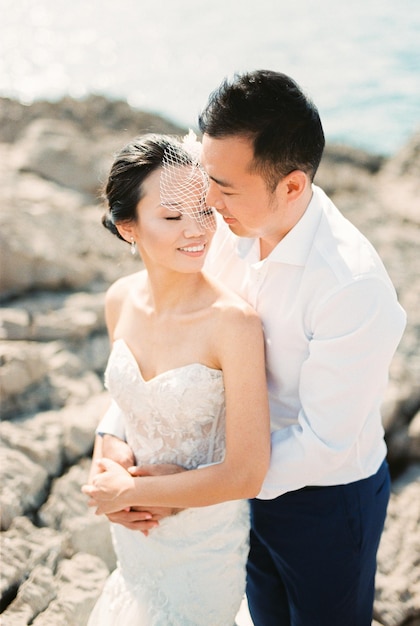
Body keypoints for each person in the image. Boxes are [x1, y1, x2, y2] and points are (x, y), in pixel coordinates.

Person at [90, 70, 407, 626]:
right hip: (225, 490)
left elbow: (324, 444)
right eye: (207, 178)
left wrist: (191, 487)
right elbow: (166, 338)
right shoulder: (220, 210)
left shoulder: (351, 287)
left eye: (224, 189)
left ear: (290, 187)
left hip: (324, 502)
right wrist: (117, 436)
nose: (205, 202)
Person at [82, 133, 270, 625]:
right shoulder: (119, 300)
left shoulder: (234, 324)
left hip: (204, 549)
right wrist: (106, 460)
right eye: (171, 216)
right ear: (128, 227)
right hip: (135, 538)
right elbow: (127, 400)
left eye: (204, 210)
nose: (197, 231)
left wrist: (132, 493)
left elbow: (248, 472)